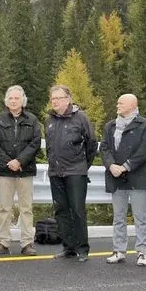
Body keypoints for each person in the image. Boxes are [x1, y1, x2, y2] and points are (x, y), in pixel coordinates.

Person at [100, 94, 146, 267]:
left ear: (132, 105)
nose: (117, 105)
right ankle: (118, 250)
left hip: (136, 177)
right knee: (119, 216)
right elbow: (105, 148)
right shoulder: (110, 125)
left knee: (140, 217)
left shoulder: (145, 125)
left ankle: (143, 252)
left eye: (121, 102)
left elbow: (145, 150)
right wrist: (111, 165)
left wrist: (125, 166)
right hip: (116, 177)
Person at [45, 85, 97, 262]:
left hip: (75, 172)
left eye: (59, 98)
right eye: (53, 99)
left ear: (68, 99)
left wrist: (82, 165)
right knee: (61, 211)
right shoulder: (49, 120)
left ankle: (83, 248)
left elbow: (92, 143)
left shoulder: (80, 118)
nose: (55, 102)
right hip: (55, 172)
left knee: (77, 210)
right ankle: (68, 247)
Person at [0, 85, 41, 256]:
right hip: (5, 170)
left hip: (25, 170)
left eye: (17, 98)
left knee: (26, 208)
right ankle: (3, 242)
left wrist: (20, 161)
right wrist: (8, 162)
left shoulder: (32, 120)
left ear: (23, 100)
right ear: (6, 101)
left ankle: (27, 243)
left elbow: (35, 143)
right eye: (10, 98)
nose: (13, 101)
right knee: (5, 208)